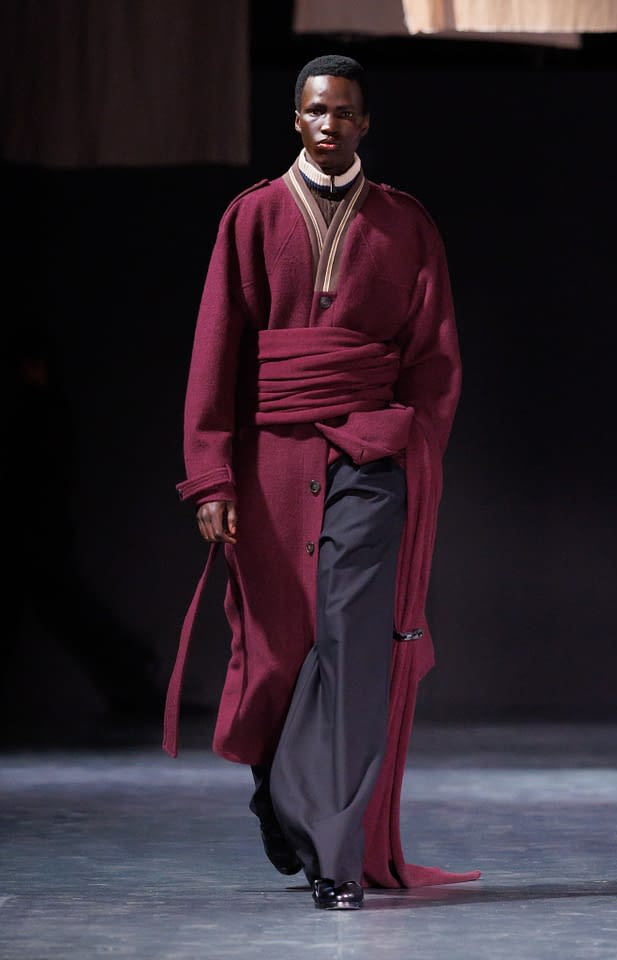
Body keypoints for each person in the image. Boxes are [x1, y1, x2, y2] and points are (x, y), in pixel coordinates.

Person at [163, 54, 480, 910]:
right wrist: (210, 477)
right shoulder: (252, 216)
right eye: (314, 110)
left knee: (354, 647)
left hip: (370, 459)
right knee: (276, 653)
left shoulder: (406, 224)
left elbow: (435, 357)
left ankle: (335, 856)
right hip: (269, 465)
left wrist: (413, 448)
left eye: (343, 111)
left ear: (364, 123)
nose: (328, 123)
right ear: (295, 120)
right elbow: (216, 352)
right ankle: (277, 792)